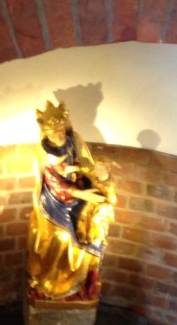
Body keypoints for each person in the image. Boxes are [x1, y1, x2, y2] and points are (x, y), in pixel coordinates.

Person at [26, 100, 117, 302]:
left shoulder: (74, 140)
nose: (58, 136)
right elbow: (52, 181)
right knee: (62, 239)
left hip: (79, 195)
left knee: (92, 228)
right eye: (53, 134)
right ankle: (51, 285)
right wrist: (82, 194)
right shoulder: (44, 150)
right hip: (53, 202)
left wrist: (96, 178)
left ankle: (78, 283)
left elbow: (88, 166)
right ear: (46, 133)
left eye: (60, 131)